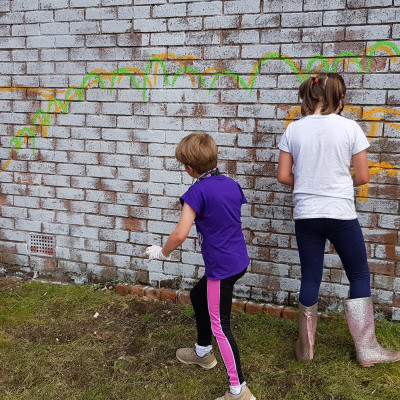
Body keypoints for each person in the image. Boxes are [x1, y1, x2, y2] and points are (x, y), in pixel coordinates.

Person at [277, 72, 400, 367]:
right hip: (341, 215)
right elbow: (362, 176)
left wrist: (309, 182)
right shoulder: (349, 128)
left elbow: (283, 176)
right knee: (358, 274)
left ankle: (306, 349)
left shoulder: (293, 130)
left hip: (306, 214)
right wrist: (336, 182)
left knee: (310, 277)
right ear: (339, 98)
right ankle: (367, 350)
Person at [144, 131, 256, 400]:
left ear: (190, 168)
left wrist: (162, 253)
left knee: (221, 327)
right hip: (238, 260)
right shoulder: (231, 184)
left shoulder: (195, 192)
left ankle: (238, 390)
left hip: (221, 268)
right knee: (197, 295)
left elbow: (180, 234)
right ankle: (203, 353)